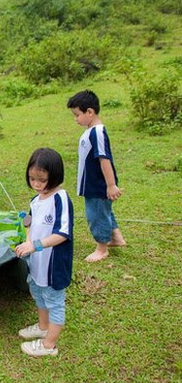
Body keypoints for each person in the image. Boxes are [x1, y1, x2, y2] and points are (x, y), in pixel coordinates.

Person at [15, 147, 73, 357]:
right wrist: (27, 236)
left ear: (55, 176)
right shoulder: (35, 200)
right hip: (37, 262)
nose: (36, 184)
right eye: (32, 178)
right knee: (38, 293)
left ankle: (49, 345)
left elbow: (63, 233)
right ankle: (42, 326)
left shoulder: (60, 198)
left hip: (53, 265)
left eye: (42, 179)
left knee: (54, 301)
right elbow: (30, 223)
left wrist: (35, 245)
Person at [67, 90, 126, 262]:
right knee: (105, 211)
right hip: (92, 183)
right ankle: (116, 238)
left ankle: (102, 248)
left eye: (77, 115)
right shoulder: (90, 130)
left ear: (90, 112)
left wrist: (110, 185)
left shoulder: (97, 132)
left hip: (97, 184)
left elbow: (104, 159)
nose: (75, 119)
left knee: (96, 215)